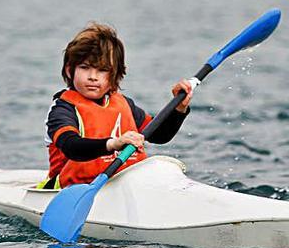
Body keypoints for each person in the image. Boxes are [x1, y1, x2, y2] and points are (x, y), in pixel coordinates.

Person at [41, 22, 193, 189]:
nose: (93, 77)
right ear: (70, 70)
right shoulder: (63, 109)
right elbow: (72, 147)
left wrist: (179, 109)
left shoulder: (123, 103)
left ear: (115, 75)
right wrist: (113, 144)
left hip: (123, 185)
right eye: (85, 68)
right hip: (72, 189)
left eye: (102, 70)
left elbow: (159, 135)